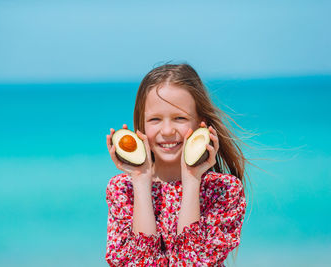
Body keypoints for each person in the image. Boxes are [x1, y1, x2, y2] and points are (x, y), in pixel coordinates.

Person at [105, 63, 248, 266]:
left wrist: (191, 179)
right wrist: (140, 180)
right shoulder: (122, 190)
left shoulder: (223, 190)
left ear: (201, 123)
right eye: (155, 119)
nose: (167, 130)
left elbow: (193, 263)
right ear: (141, 125)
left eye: (179, 118)